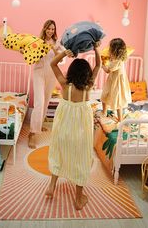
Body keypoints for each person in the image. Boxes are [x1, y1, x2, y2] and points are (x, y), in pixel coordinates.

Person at [45, 43, 101, 210]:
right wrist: (96, 48)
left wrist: (65, 53)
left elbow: (52, 64)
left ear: (71, 71)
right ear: (87, 74)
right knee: (81, 159)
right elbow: (98, 65)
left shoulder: (64, 85)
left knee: (58, 153)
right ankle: (78, 198)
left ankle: (52, 185)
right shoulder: (88, 86)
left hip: (64, 130)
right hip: (80, 133)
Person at [28, 20, 63, 149]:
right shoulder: (37, 42)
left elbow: (62, 58)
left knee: (46, 101)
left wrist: (54, 48)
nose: (50, 31)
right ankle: (32, 133)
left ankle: (39, 124)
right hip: (39, 73)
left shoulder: (57, 43)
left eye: (53, 29)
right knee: (39, 103)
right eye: (48, 28)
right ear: (44, 29)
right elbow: (30, 56)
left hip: (51, 74)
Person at [101, 38, 131, 122]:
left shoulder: (118, 61)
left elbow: (107, 70)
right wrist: (107, 60)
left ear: (114, 50)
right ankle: (104, 112)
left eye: (110, 48)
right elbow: (110, 64)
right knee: (105, 95)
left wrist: (102, 65)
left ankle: (120, 119)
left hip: (117, 83)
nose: (109, 50)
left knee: (118, 101)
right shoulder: (116, 59)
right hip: (112, 81)